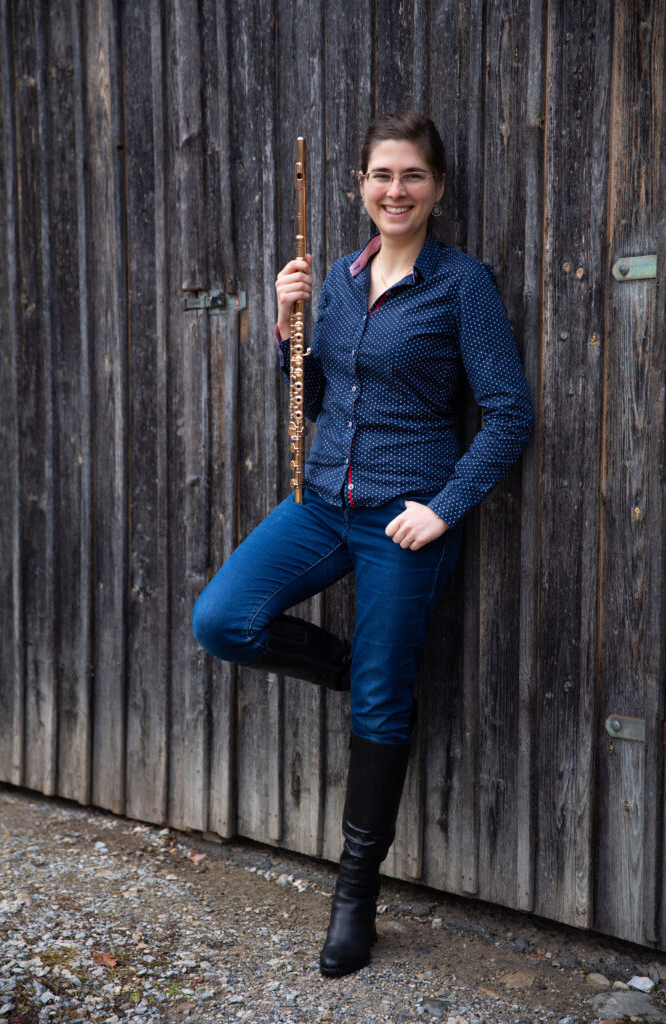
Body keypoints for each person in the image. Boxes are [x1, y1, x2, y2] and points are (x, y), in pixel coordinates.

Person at [192, 110, 534, 978]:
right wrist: (286, 325)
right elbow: (312, 399)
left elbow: (508, 414)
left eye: (412, 175)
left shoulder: (461, 285)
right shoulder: (337, 280)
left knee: (381, 712)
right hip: (319, 504)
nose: (396, 190)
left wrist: (443, 508)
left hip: (401, 520)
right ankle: (359, 673)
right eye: (382, 175)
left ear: (437, 187)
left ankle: (354, 899)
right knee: (222, 621)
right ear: (359, 187)